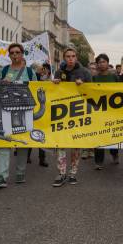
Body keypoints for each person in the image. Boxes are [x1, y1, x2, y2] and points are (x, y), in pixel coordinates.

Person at [0, 43, 38, 189]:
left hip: (23, 111)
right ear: (9, 55)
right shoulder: (3, 70)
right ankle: (1, 177)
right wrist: (1, 83)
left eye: (18, 52)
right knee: (4, 143)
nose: (15, 55)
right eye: (12, 53)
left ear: (22, 54)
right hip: (5, 110)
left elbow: (35, 89)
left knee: (21, 144)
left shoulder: (29, 72)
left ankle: (20, 173)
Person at [52, 48, 92, 186]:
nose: (70, 58)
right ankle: (61, 173)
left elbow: (93, 92)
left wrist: (84, 86)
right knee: (61, 143)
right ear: (64, 58)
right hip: (62, 114)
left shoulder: (85, 72)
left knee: (76, 144)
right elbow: (54, 93)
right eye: (68, 56)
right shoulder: (59, 72)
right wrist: (54, 84)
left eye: (73, 56)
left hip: (79, 112)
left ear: (76, 57)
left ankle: (73, 173)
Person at [92, 53, 120, 169]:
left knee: (112, 135)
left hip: (112, 111)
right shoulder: (94, 78)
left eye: (103, 62)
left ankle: (114, 154)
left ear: (108, 63)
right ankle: (98, 161)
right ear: (97, 65)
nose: (101, 64)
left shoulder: (114, 77)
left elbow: (122, 92)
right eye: (99, 62)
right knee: (98, 136)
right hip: (98, 111)